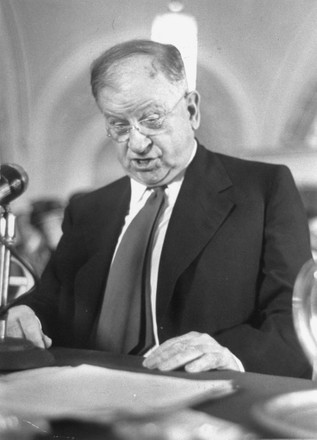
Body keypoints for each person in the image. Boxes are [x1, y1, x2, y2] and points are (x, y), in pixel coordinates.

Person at [6, 39, 313, 378]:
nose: (137, 144)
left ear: (192, 111)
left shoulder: (263, 189)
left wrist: (231, 355)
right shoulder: (88, 209)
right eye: (119, 125)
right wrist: (26, 312)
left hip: (200, 407)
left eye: (152, 118)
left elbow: (296, 322)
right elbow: (51, 302)